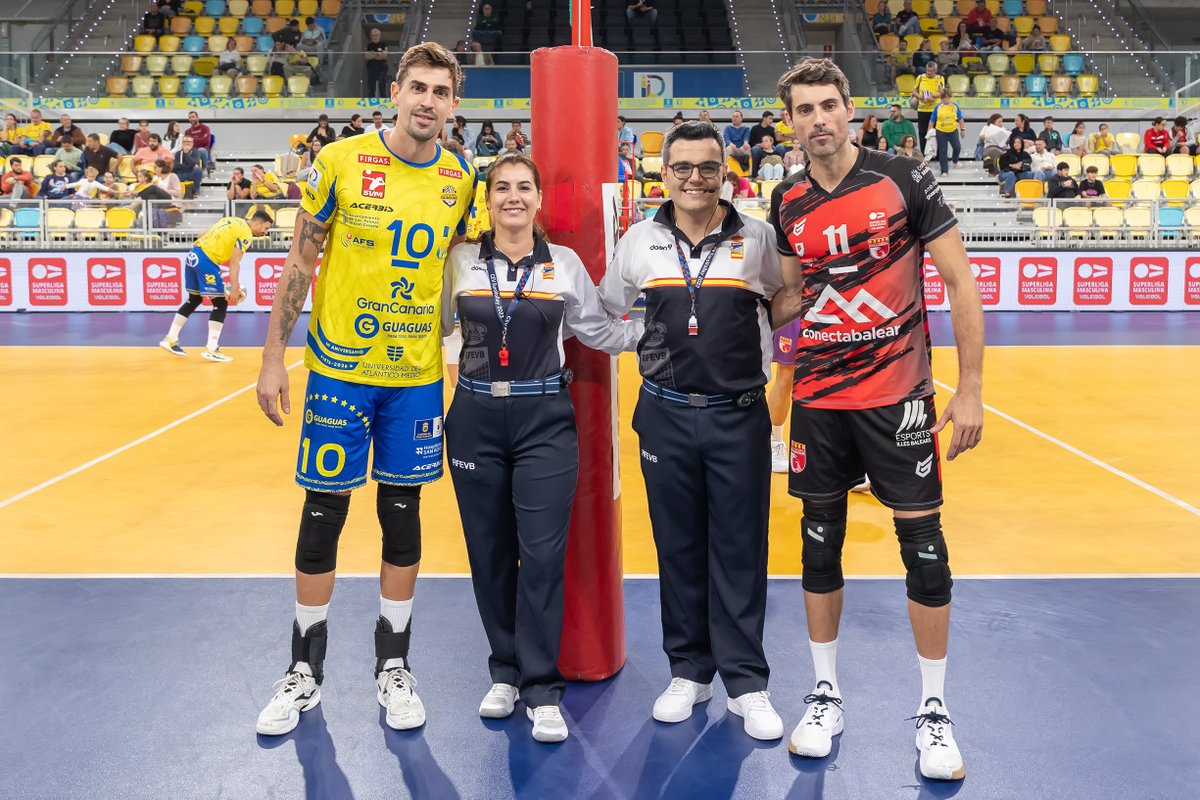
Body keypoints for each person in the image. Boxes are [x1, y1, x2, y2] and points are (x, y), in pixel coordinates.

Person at [253, 42, 477, 738]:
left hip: (413, 379)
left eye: (441, 92)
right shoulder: (341, 162)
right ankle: (304, 671)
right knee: (323, 515)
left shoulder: (460, 179)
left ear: (453, 104)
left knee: (402, 518)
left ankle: (393, 667)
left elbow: (457, 273)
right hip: (339, 372)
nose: (428, 102)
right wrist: (270, 360)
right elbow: (301, 258)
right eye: (418, 87)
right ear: (396, 91)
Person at [768, 58, 983, 781]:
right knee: (818, 545)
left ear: (850, 110)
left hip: (899, 399)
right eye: (804, 109)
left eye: (829, 105)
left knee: (923, 546)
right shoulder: (786, 198)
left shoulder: (903, 177)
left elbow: (958, 282)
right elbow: (791, 303)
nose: (819, 119)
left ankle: (933, 710)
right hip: (821, 404)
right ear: (789, 120)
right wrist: (780, 379)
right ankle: (825, 692)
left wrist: (972, 387)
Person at [598, 120, 787, 743]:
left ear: (725, 174)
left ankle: (746, 681)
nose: (694, 178)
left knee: (739, 547)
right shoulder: (638, 241)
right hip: (665, 412)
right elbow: (609, 308)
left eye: (707, 167)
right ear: (665, 173)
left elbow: (788, 305)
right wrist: (642, 342)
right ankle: (689, 671)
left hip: (739, 413)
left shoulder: (759, 239)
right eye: (682, 167)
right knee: (677, 546)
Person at [443, 154, 640, 742]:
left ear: (538, 199)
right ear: (487, 199)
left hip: (544, 421)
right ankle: (504, 671)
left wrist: (656, 334)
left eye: (523, 187)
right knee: (489, 552)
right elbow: (436, 332)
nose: (512, 196)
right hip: (475, 415)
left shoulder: (564, 263)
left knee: (543, 556)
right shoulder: (458, 262)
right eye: (500, 187)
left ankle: (541, 687)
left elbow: (596, 329)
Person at [159, 211, 273, 361]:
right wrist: (234, 286)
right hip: (207, 260)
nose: (265, 232)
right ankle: (211, 349)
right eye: (265, 228)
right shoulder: (246, 234)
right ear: (257, 223)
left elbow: (203, 234)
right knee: (220, 303)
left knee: (194, 299)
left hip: (194, 254)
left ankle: (170, 339)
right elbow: (234, 262)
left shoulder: (232, 219)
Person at [768, 318, 801, 472]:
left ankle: (846, 454)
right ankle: (774, 444)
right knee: (787, 374)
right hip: (796, 305)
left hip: (835, 303)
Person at [911, 61, 944, 153]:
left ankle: (937, 155)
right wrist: (919, 96)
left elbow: (941, 92)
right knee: (922, 133)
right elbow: (914, 90)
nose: (929, 73)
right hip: (922, 109)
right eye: (928, 71)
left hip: (935, 109)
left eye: (931, 71)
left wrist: (933, 96)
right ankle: (924, 154)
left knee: (937, 132)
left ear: (935, 70)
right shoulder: (920, 77)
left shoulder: (940, 78)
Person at [931, 89, 963, 176]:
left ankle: (955, 160)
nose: (946, 99)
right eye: (944, 98)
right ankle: (944, 171)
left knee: (957, 147)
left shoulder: (955, 106)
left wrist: (962, 129)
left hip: (953, 131)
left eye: (948, 98)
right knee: (942, 151)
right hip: (941, 132)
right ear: (942, 98)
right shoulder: (938, 107)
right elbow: (932, 120)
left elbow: (960, 119)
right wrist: (930, 132)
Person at [365, 28, 389, 98]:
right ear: (371, 36)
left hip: (382, 69)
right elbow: (367, 57)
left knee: (382, 87)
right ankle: (371, 103)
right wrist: (378, 54)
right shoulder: (369, 45)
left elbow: (384, 56)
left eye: (376, 35)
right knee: (371, 87)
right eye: (373, 35)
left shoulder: (383, 45)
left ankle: (384, 103)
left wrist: (373, 54)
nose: (375, 37)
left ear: (379, 35)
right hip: (371, 68)